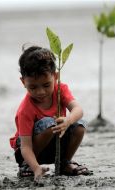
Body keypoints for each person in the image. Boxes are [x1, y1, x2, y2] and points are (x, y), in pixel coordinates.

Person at [9, 45, 90, 181]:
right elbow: (26, 146)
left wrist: (68, 121)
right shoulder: (25, 109)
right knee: (49, 123)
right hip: (29, 153)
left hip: (56, 146)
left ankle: (64, 163)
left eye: (46, 85)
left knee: (79, 125)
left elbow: (78, 110)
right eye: (33, 87)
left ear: (55, 76)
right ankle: (26, 167)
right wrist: (35, 168)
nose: (40, 92)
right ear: (23, 82)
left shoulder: (60, 90)